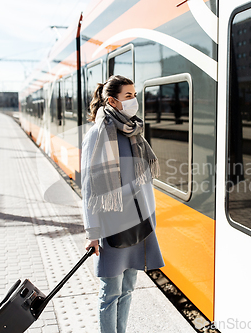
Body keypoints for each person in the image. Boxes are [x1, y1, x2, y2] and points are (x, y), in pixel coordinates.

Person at [81, 75, 165, 333]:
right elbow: (89, 189)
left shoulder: (133, 130)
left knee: (128, 289)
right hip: (113, 225)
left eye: (134, 95)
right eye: (129, 96)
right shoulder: (97, 135)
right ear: (112, 101)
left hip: (139, 222)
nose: (134, 100)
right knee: (110, 292)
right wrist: (92, 233)